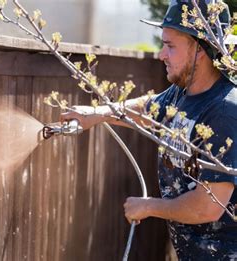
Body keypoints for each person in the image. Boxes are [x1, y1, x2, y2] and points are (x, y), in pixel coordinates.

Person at [61, 0, 237, 259]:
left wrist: (149, 206)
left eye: (170, 46)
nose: (161, 55)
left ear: (200, 50)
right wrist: (97, 115)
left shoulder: (224, 111)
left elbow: (208, 207)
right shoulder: (182, 92)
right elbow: (150, 109)